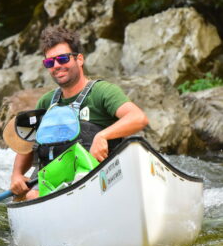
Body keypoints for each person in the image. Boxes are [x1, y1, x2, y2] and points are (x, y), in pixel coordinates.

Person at [10, 26, 148, 200]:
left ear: (79, 59)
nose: (57, 66)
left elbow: (138, 118)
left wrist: (103, 136)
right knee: (25, 197)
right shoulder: (46, 103)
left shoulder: (102, 92)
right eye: (50, 62)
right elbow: (28, 145)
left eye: (62, 58)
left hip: (98, 180)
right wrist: (16, 175)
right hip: (51, 182)